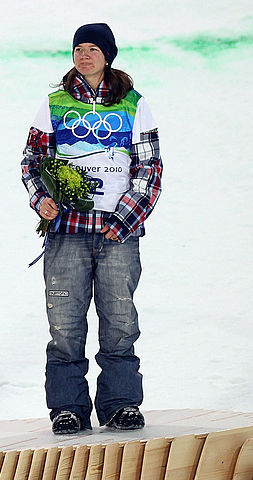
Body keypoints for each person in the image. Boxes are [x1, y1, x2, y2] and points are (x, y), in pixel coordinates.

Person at [21, 23, 162, 435]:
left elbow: (149, 169)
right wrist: (41, 200)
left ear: (108, 55)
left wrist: (124, 221)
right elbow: (32, 161)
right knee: (64, 323)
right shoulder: (55, 104)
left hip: (118, 233)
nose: (84, 55)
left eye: (92, 49)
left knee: (119, 322)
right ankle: (68, 408)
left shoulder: (134, 105)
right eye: (78, 49)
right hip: (66, 231)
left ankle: (120, 405)